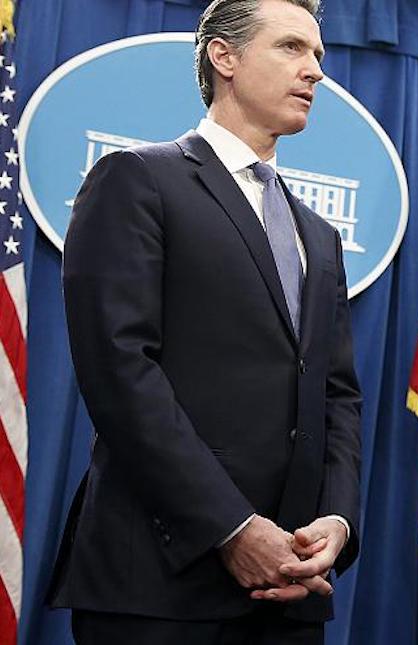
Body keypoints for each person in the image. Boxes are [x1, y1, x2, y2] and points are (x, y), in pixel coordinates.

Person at [49, 1, 362, 642]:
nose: (315, 72)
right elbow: (120, 371)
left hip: (291, 592)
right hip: (159, 585)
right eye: (291, 49)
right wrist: (232, 527)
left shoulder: (321, 237)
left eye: (318, 56)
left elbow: (336, 396)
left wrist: (336, 519)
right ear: (224, 56)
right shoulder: (136, 179)